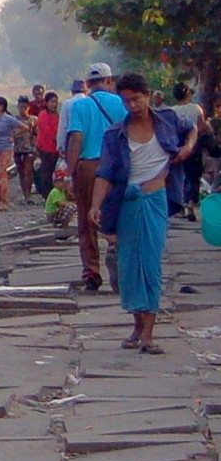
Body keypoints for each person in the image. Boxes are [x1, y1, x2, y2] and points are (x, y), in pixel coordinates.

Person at [91, 73, 197, 354]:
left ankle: (148, 334)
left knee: (150, 265)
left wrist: (187, 148)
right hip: (126, 202)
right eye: (126, 101)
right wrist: (94, 205)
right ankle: (137, 325)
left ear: (148, 96)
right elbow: (104, 174)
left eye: (136, 99)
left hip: (156, 199)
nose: (132, 105)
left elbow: (194, 128)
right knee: (127, 267)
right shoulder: (115, 134)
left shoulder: (168, 120)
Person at [66, 62, 128, 291]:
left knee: (86, 221)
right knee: (119, 216)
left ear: (88, 84)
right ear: (109, 81)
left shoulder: (80, 106)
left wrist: (69, 172)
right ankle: (117, 256)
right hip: (116, 167)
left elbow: (76, 139)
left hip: (89, 168)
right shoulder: (122, 103)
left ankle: (92, 273)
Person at [168, 82, 210, 222]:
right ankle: (191, 205)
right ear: (188, 94)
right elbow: (201, 127)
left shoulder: (172, 111)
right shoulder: (196, 108)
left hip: (177, 148)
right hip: (194, 147)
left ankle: (180, 207)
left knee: (180, 177)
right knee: (194, 177)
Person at [35, 91, 62, 202]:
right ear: (46, 103)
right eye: (52, 102)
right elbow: (48, 132)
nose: (54, 104)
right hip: (46, 148)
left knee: (55, 173)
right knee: (46, 173)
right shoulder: (43, 115)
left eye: (55, 102)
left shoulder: (56, 115)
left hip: (55, 149)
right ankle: (47, 196)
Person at [12, 96, 39, 204]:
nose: (23, 110)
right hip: (17, 149)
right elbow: (11, 134)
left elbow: (38, 135)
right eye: (21, 107)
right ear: (18, 107)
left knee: (28, 171)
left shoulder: (34, 119)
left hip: (30, 149)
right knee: (21, 171)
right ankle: (25, 193)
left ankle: (28, 195)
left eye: (25, 107)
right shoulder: (14, 120)